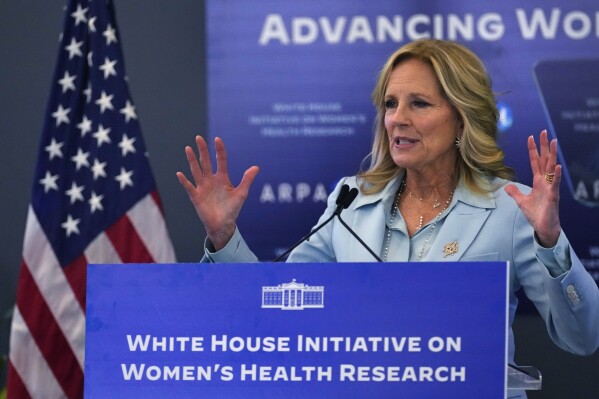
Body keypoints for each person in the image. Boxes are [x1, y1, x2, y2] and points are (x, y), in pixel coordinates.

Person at [177, 39, 599, 397]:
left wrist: (550, 242)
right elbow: (276, 310)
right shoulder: (351, 201)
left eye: (419, 103)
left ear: (461, 117)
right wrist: (224, 235)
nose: (398, 118)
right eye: (391, 103)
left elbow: (582, 338)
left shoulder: (512, 208)